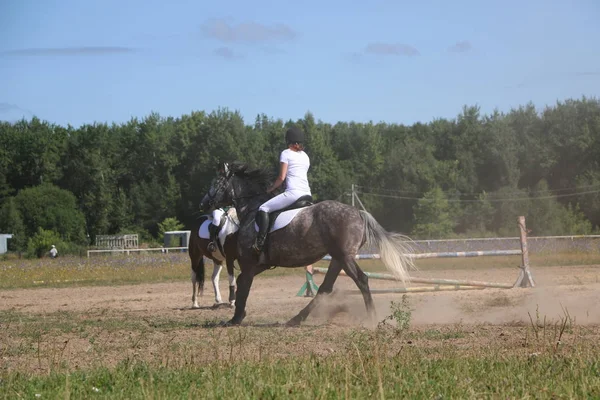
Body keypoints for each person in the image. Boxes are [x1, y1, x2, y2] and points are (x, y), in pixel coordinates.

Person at [253, 126, 312, 254]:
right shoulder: (305, 156)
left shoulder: (286, 153)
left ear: (289, 141)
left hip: (293, 193)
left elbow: (281, 177)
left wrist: (270, 189)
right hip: (307, 194)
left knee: (263, 208)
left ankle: (260, 242)